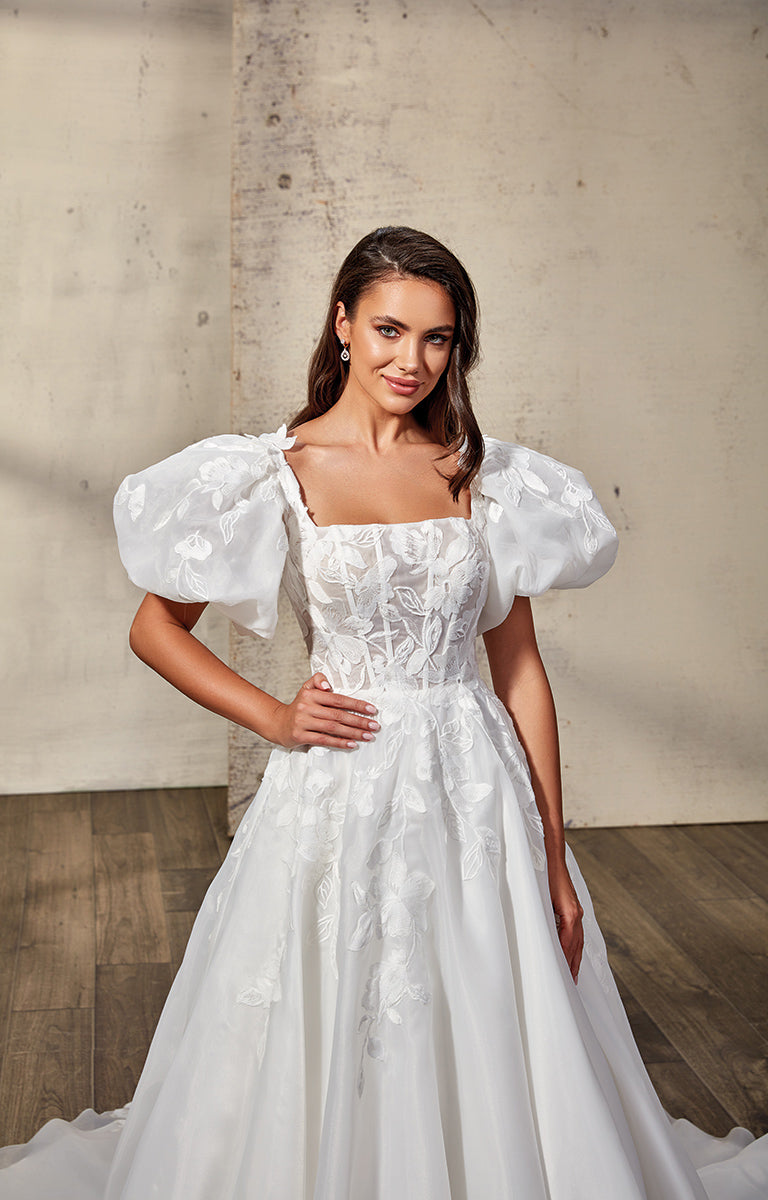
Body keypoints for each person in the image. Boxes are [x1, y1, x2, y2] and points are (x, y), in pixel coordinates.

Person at [0, 226, 765, 1198]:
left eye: (438, 338)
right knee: (334, 999)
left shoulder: (474, 472)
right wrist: (274, 717)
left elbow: (520, 672)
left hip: (473, 782)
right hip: (339, 785)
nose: (413, 359)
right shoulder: (274, 470)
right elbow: (157, 629)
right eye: (392, 329)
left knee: (484, 1003)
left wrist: (553, 857)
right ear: (343, 325)